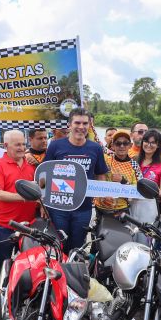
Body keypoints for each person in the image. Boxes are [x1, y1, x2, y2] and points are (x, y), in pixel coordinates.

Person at [44, 108, 108, 252]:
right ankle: (60, 273)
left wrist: (102, 194)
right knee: (58, 246)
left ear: (90, 125)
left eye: (85, 123)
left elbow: (100, 174)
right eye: (77, 123)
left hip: (83, 208)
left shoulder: (96, 148)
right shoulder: (55, 145)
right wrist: (43, 202)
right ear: (69, 125)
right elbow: (45, 175)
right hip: (58, 207)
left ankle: (73, 272)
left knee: (77, 246)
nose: (81, 127)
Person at [0, 130, 38, 278]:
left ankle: (22, 291)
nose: (22, 148)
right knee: (1, 263)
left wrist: (41, 205)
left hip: (29, 225)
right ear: (6, 145)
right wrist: (25, 197)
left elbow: (40, 189)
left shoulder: (32, 165)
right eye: (17, 145)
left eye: (24, 144)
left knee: (29, 263)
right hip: (5, 225)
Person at [94, 129, 141, 215]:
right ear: (112, 145)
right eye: (118, 143)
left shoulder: (135, 166)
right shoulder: (105, 157)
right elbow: (94, 139)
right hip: (99, 208)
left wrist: (123, 181)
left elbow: (137, 192)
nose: (122, 146)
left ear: (130, 145)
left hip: (121, 211)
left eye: (125, 143)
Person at [137, 129, 161, 197]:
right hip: (131, 202)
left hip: (150, 203)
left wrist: (153, 194)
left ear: (158, 145)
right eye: (146, 141)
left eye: (153, 142)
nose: (149, 145)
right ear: (142, 142)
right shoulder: (133, 161)